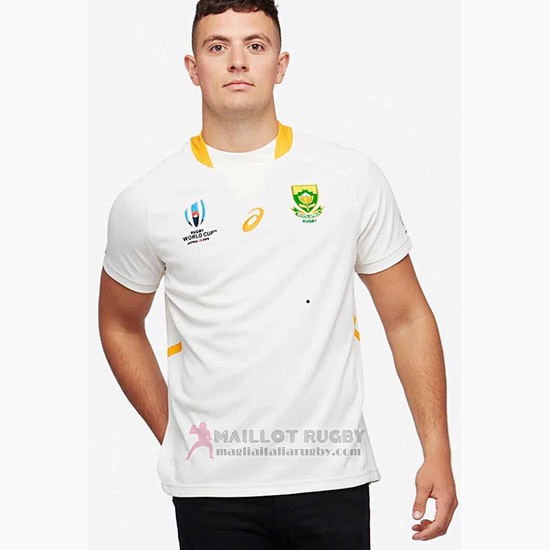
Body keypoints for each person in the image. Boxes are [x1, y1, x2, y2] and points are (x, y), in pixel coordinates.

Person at [98, 1, 458, 548]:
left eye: (255, 45)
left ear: (281, 64)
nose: (237, 61)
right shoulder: (149, 201)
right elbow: (119, 324)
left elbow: (406, 317)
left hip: (331, 479)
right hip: (212, 493)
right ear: (192, 68)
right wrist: (175, 432)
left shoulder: (348, 178)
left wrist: (437, 449)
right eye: (217, 46)